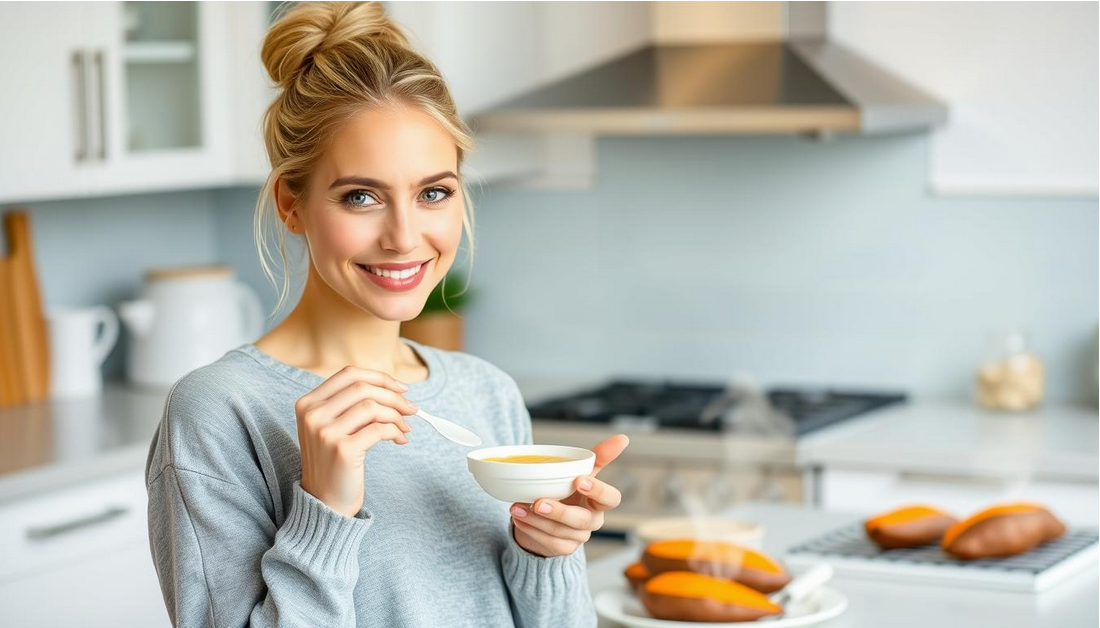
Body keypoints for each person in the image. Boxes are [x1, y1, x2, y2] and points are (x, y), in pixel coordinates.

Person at [144, 2, 628, 627]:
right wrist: (325, 508)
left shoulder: (487, 394)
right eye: (361, 197)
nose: (404, 237)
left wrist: (548, 551)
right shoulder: (218, 412)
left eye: (433, 193)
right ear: (292, 205)